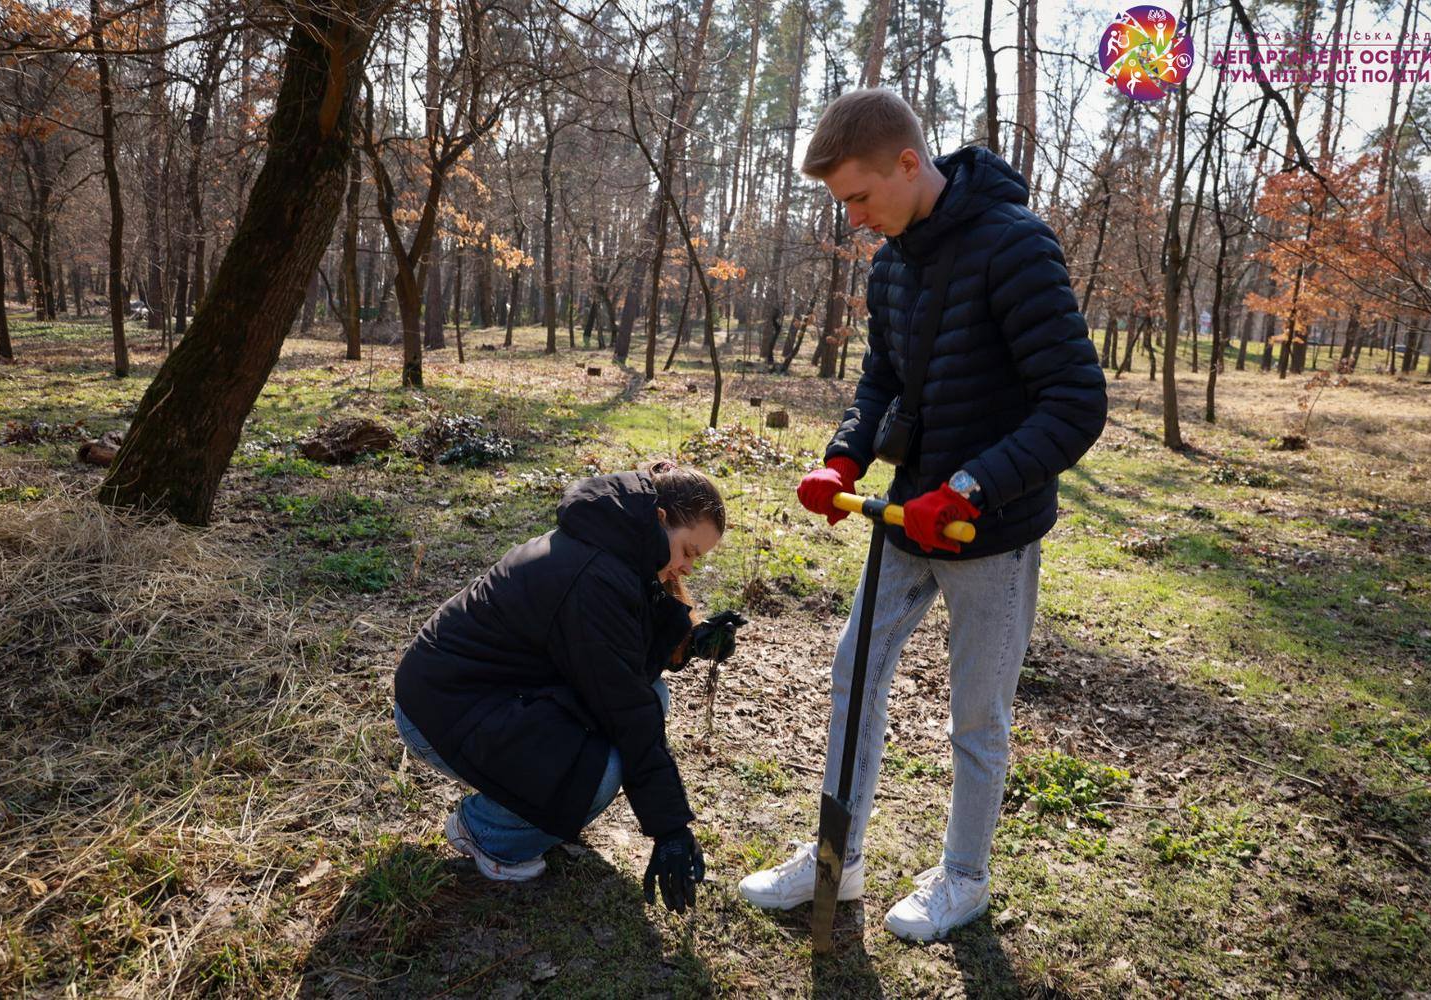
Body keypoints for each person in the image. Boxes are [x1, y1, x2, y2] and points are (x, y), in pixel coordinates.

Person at [737, 88, 1108, 941]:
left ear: (910, 163)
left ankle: (965, 878)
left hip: (991, 532)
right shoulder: (893, 262)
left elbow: (1074, 402)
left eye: (861, 198)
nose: (857, 220)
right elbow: (885, 385)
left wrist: (974, 487)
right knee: (852, 676)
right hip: (903, 517)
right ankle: (840, 855)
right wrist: (841, 458)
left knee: (977, 717)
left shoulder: (1016, 247)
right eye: (844, 205)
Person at [394, 461, 747, 912]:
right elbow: (625, 709)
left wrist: (691, 639)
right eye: (688, 551)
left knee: (651, 702)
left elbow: (631, 647)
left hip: (488, 693)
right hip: (440, 709)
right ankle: (486, 833)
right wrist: (671, 829)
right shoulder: (596, 578)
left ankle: (524, 809)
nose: (689, 568)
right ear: (659, 520)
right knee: (600, 771)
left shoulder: (616, 541)